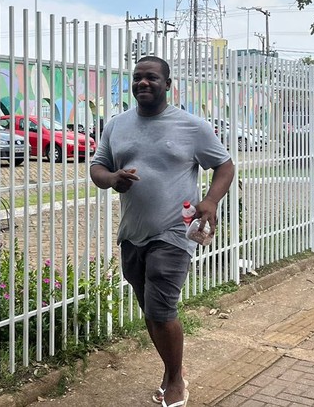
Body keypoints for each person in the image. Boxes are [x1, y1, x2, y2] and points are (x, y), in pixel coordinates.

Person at [90, 56, 235, 407]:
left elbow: (225, 166)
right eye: (138, 78)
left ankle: (175, 383)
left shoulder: (192, 127)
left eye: (152, 78)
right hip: (133, 232)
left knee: (161, 307)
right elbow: (98, 167)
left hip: (173, 231)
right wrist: (112, 180)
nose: (143, 83)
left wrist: (211, 201)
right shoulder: (116, 125)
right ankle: (174, 373)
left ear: (168, 85)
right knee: (150, 308)